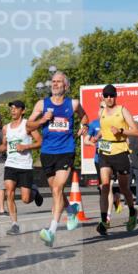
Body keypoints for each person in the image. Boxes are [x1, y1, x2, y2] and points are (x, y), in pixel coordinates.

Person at [27, 71, 88, 247]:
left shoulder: (73, 104)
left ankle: (51, 231)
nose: (55, 84)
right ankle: (71, 210)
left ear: (66, 86)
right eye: (53, 81)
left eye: (59, 82)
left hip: (66, 151)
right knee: (56, 189)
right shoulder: (42, 104)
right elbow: (28, 125)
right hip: (47, 152)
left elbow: (85, 116)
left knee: (57, 189)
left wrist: (84, 126)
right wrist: (41, 121)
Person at [91, 84, 138, 236]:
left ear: (115, 96)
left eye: (112, 95)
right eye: (106, 96)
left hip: (120, 152)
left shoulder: (122, 110)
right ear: (103, 97)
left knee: (124, 188)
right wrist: (96, 137)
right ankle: (104, 221)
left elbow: (136, 131)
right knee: (105, 186)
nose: (109, 98)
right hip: (104, 152)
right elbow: (103, 130)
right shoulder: (102, 112)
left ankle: (132, 212)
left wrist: (120, 131)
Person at [0, 100, 43, 235]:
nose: (13, 111)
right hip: (10, 165)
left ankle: (34, 191)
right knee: (10, 192)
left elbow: (40, 142)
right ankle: (14, 224)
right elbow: (5, 145)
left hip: (25, 166)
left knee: (26, 199)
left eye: (16, 108)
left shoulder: (28, 125)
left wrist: (26, 146)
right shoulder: (6, 128)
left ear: (23, 110)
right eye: (11, 109)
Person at [87, 114, 120, 226]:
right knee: (103, 189)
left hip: (113, 158)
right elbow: (86, 141)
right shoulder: (93, 124)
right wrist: (94, 144)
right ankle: (115, 199)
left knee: (108, 187)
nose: (103, 111)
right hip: (99, 160)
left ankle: (107, 218)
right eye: (101, 108)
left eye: (105, 108)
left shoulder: (115, 121)